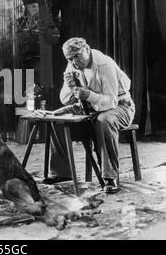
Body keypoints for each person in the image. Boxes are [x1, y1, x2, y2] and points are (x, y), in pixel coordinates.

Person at [43, 37, 135, 194]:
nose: (74, 62)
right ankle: (61, 173)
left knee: (104, 120)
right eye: (69, 59)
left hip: (121, 106)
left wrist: (89, 95)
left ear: (87, 49)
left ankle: (110, 177)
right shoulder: (73, 63)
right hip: (91, 107)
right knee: (56, 118)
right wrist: (71, 86)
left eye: (77, 56)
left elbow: (111, 102)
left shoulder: (103, 64)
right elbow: (65, 100)